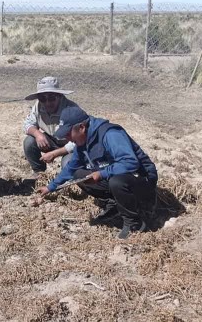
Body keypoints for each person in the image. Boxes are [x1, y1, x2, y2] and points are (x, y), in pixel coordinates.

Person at [37, 106, 158, 240]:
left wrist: (101, 174)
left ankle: (134, 223)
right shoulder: (82, 141)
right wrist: (50, 187)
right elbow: (71, 168)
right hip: (119, 177)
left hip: (142, 180)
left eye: (68, 133)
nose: (67, 138)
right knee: (79, 174)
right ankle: (115, 203)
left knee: (116, 182)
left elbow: (130, 163)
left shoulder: (110, 134)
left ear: (82, 127)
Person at [22, 76, 79, 179]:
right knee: (29, 142)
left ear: (59, 96)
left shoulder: (71, 110)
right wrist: (38, 134)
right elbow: (27, 124)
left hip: (70, 147)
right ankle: (39, 174)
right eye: (43, 98)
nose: (47, 103)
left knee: (67, 164)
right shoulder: (38, 106)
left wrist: (54, 153)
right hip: (51, 140)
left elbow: (77, 142)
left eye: (52, 98)